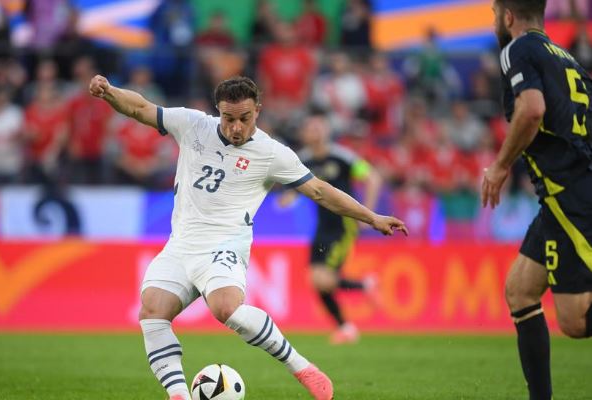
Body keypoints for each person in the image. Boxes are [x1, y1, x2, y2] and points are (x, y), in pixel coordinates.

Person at [88, 75, 408, 400]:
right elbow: (141, 108)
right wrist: (109, 92)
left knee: (226, 307)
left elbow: (319, 191)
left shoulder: (271, 153)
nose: (236, 127)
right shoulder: (193, 125)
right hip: (180, 245)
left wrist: (372, 217)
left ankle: (302, 367)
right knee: (152, 312)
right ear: (218, 111)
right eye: (228, 118)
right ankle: (179, 396)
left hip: (225, 245)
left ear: (257, 110)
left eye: (244, 118)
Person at [483, 1, 592, 399]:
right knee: (520, 291)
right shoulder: (565, 57)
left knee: (575, 321)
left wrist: (500, 166)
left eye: (494, 12)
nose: (494, 20)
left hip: (570, 194)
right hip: (561, 194)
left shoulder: (517, 49)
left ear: (508, 16)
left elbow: (531, 110)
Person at [280, 109, 382, 344]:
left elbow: (373, 178)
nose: (314, 132)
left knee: (323, 279)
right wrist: (291, 196)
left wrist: (367, 214)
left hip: (343, 224)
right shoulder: (303, 160)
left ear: (327, 131)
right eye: (310, 128)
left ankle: (363, 288)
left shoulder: (343, 157)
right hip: (321, 225)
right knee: (316, 280)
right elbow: (297, 185)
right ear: (304, 133)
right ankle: (346, 326)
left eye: (318, 127)